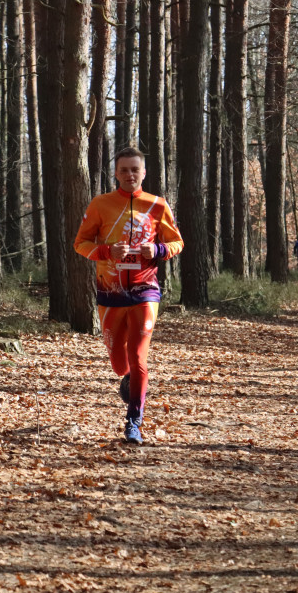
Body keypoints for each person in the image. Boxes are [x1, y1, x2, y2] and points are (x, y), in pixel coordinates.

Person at [73, 147, 184, 445]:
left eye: (135, 169)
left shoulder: (157, 205)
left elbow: (177, 243)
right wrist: (107, 251)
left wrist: (158, 250)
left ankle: (134, 421)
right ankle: (129, 379)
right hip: (110, 293)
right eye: (124, 170)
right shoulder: (100, 204)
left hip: (145, 291)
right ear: (116, 174)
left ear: (144, 173)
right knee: (119, 363)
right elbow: (80, 244)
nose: (130, 175)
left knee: (138, 356)